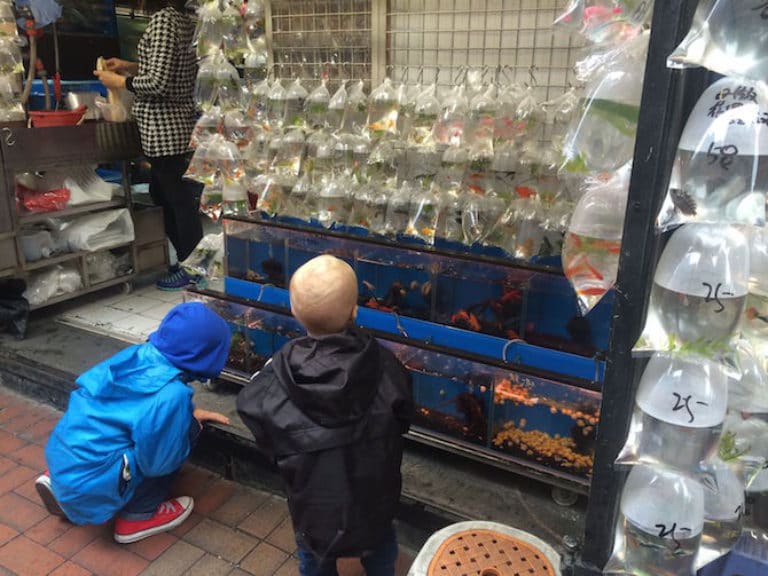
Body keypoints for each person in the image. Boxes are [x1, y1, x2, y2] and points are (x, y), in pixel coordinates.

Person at [237, 255, 415, 576]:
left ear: (294, 311)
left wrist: (285, 449)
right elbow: (403, 416)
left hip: (313, 504)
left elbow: (252, 408)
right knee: (380, 547)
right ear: (354, 311)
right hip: (374, 496)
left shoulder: (278, 373)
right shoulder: (385, 364)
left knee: (315, 556)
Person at [35, 302, 231, 544]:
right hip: (93, 481)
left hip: (64, 454)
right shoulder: (172, 395)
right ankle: (137, 516)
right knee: (185, 433)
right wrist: (186, 423)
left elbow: (133, 405)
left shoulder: (136, 355)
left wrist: (188, 410)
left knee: (104, 432)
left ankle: (67, 487)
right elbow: (159, 463)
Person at [95, 0, 201, 291]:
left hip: (164, 126)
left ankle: (192, 264)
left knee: (175, 197)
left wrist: (118, 80)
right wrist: (130, 66)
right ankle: (191, 261)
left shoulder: (164, 20)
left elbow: (159, 83)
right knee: (165, 192)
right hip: (175, 122)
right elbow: (166, 68)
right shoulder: (182, 19)